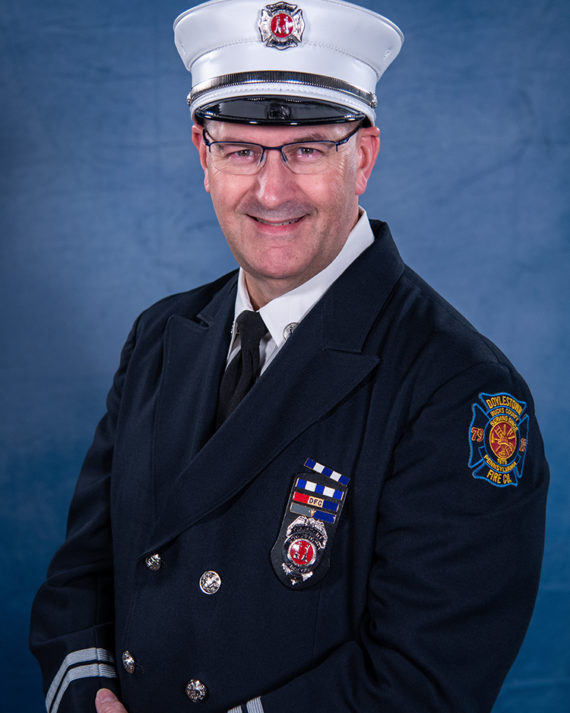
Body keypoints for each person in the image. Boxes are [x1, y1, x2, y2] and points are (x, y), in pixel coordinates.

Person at [30, 1, 549, 712]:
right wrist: (90, 693)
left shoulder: (460, 388)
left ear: (361, 157)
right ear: (202, 156)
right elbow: (82, 574)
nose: (272, 192)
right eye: (241, 149)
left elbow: (426, 680)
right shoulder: (160, 335)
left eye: (307, 149)